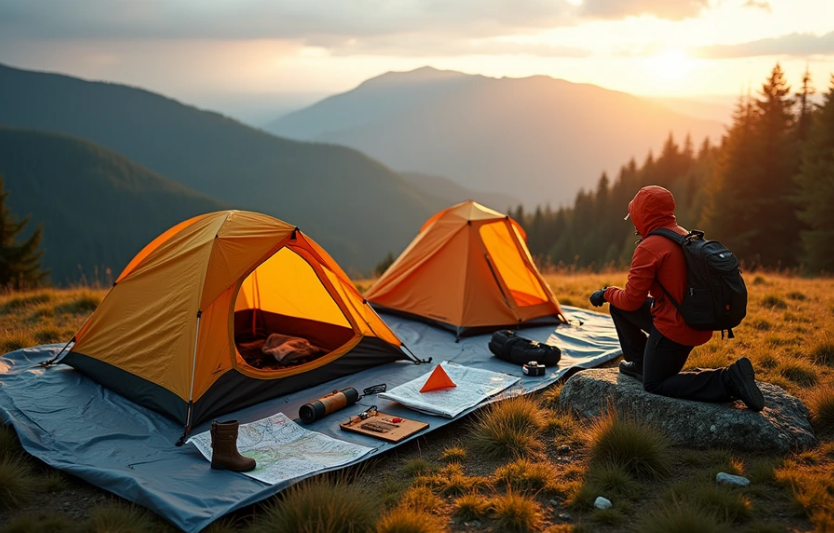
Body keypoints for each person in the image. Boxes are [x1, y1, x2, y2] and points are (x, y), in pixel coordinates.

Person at [589, 185, 765, 411]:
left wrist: (605, 293)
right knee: (618, 307)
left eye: (634, 216)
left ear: (643, 216)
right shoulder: (682, 233)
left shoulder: (650, 247)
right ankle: (641, 364)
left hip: (676, 328)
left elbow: (632, 300)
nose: (634, 223)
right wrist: (612, 297)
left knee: (655, 384)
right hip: (694, 317)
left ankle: (729, 379)